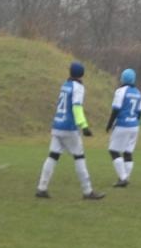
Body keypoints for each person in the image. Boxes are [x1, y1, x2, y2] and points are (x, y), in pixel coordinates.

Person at [35, 60, 105, 200]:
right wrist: (84, 125)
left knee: (53, 156)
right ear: (82, 74)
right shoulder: (78, 87)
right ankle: (87, 191)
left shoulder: (65, 85)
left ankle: (41, 188)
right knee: (79, 157)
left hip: (57, 125)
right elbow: (76, 106)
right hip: (69, 127)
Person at [105, 68, 141, 187]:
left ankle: (123, 178)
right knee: (128, 152)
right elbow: (139, 112)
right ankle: (125, 177)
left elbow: (115, 110)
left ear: (123, 78)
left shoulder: (121, 91)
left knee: (113, 150)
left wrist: (109, 124)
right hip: (134, 126)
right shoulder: (138, 92)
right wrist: (134, 121)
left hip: (122, 124)